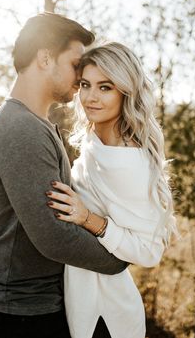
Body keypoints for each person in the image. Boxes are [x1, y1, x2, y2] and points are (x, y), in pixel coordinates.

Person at [0, 15, 128, 338]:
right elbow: (53, 236)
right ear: (44, 57)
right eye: (75, 64)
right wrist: (120, 256)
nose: (81, 76)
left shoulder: (33, 123)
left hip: (27, 305)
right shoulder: (20, 129)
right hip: (16, 312)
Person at [46, 42, 177, 338]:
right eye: (85, 85)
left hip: (106, 319)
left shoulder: (129, 161)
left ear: (125, 91)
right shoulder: (94, 142)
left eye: (105, 87)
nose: (90, 97)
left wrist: (88, 219)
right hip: (75, 305)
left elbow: (149, 252)